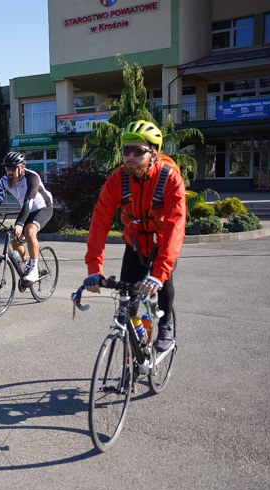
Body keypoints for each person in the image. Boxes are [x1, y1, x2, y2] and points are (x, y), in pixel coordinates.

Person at [82, 120, 186, 352]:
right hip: (136, 241)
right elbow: (99, 224)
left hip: (162, 242)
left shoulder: (170, 179)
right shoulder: (117, 180)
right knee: (127, 302)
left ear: (154, 153)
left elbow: (174, 227)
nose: (129, 157)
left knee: (164, 281)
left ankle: (166, 324)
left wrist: (159, 274)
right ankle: (135, 347)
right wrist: (93, 270)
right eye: (126, 150)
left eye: (138, 152)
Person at [0, 151, 54, 283]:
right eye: (7, 169)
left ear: (22, 168)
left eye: (12, 169)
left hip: (43, 208)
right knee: (14, 238)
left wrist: (20, 224)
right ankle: (26, 266)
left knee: (29, 231)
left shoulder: (32, 178)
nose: (9, 172)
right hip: (27, 210)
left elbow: (28, 202)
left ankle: (34, 270)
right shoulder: (4, 181)